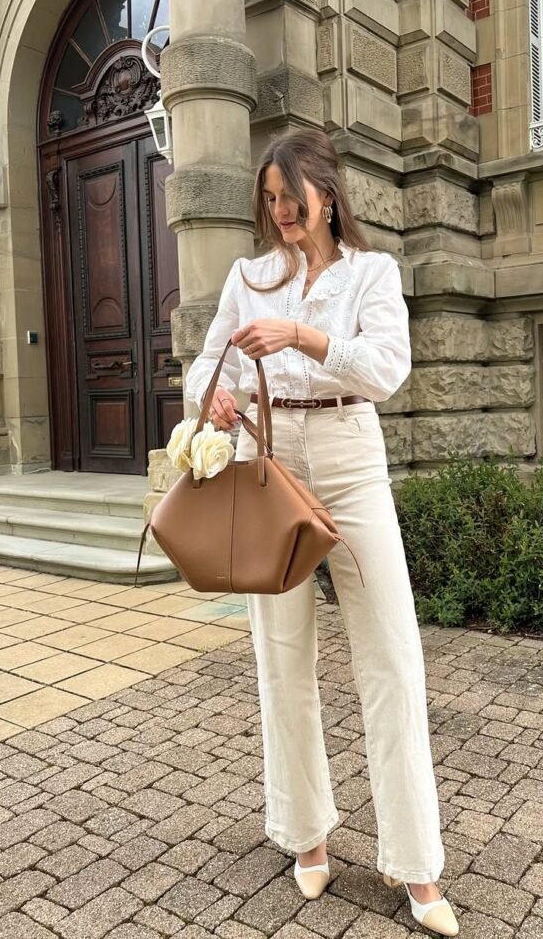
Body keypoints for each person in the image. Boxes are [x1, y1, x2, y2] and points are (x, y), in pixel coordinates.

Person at [185, 128, 459, 937]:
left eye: (291, 201)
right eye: (268, 202)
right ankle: (305, 832)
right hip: (268, 457)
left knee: (393, 658)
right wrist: (219, 395)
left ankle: (416, 864)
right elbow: (208, 365)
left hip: (348, 455)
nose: (279, 216)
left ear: (327, 196)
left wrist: (302, 335)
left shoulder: (373, 273)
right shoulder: (248, 275)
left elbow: (385, 369)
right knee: (282, 655)